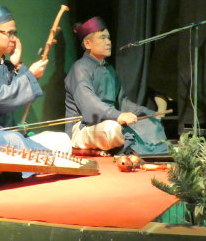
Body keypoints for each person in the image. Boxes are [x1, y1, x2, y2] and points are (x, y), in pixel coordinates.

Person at [0, 6, 71, 154]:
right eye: (10, 33)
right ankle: (49, 160)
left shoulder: (7, 66)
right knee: (13, 140)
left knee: (61, 139)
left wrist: (18, 65)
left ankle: (45, 160)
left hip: (10, 136)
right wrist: (30, 75)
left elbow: (22, 99)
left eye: (15, 33)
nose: (14, 38)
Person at [64, 16, 167, 155]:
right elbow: (89, 103)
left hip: (109, 118)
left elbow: (122, 101)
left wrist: (148, 113)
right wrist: (117, 115)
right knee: (112, 129)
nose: (108, 42)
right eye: (102, 38)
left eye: (109, 38)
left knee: (150, 123)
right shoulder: (79, 68)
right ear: (88, 44)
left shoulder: (109, 69)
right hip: (83, 127)